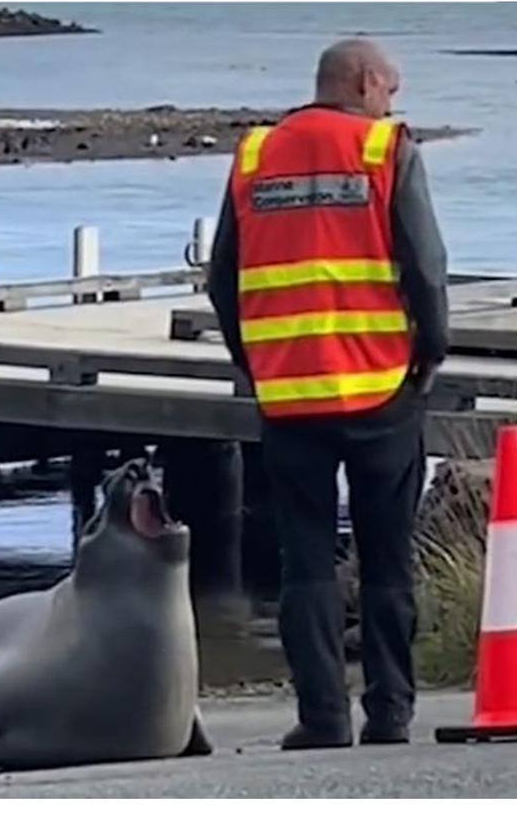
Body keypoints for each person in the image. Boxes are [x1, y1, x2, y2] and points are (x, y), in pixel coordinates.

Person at [208, 38, 448, 749]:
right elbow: (427, 267)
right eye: (391, 87)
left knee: (304, 561)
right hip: (380, 388)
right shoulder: (385, 149)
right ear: (367, 81)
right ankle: (390, 712)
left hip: (289, 395)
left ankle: (321, 717)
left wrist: (254, 361)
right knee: (387, 557)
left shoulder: (254, 156)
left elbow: (224, 277)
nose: (393, 100)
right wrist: (428, 354)